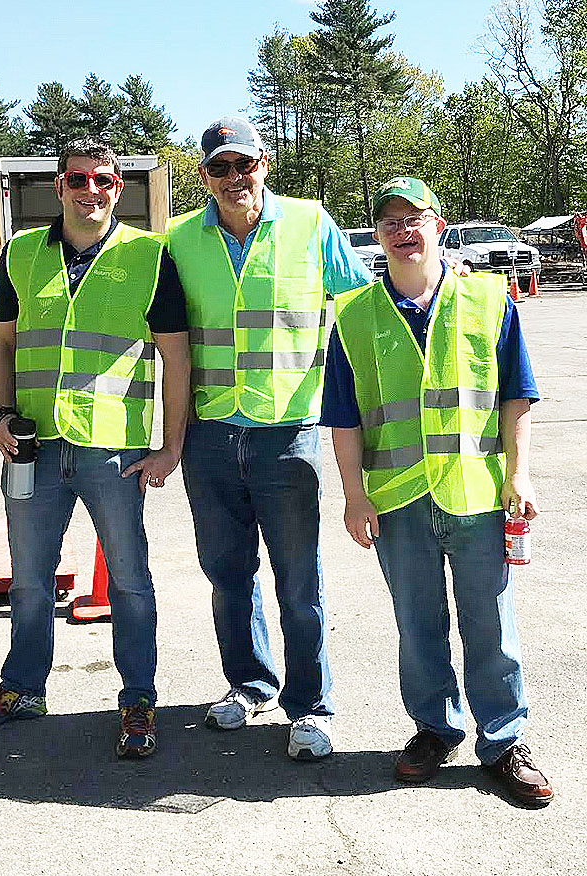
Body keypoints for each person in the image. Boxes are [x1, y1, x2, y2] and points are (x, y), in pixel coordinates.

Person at [0, 139, 191, 758]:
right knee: (29, 580)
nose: (93, 190)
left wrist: (171, 447)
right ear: (59, 187)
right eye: (79, 179)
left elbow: (176, 356)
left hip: (111, 451)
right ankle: (23, 687)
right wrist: (2, 413)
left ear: (120, 189)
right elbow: (1, 345)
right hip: (32, 446)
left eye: (105, 181)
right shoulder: (21, 253)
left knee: (131, 581)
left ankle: (138, 698)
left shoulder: (149, 256)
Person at [323, 176, 553, 806]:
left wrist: (520, 474)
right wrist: (353, 495)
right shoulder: (354, 315)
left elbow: (515, 396)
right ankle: (434, 728)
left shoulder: (489, 299)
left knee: (491, 625)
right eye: (390, 221)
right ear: (378, 234)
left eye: (415, 217)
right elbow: (342, 417)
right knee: (417, 624)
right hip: (398, 501)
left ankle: (504, 742)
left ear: (438, 225)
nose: (404, 230)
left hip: (476, 497)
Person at [165, 117, 371, 759]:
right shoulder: (179, 239)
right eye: (220, 167)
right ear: (204, 176)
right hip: (211, 435)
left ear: (264, 165)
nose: (234, 178)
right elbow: (168, 338)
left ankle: (311, 706)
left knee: (297, 580)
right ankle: (249, 685)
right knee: (228, 573)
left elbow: (363, 310)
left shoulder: (310, 225)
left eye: (245, 164)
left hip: (291, 432)